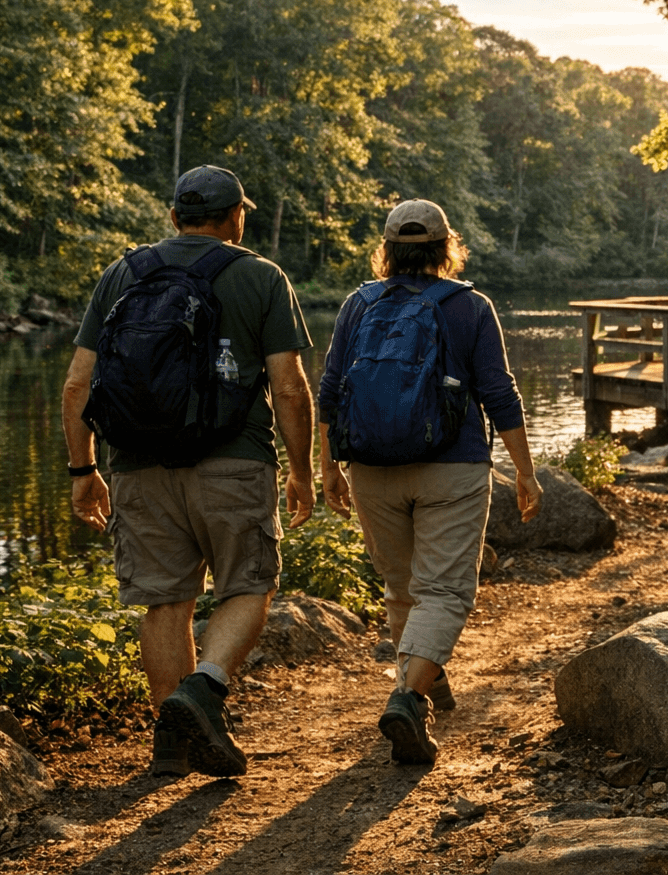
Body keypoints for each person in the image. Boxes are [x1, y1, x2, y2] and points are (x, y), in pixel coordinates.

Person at [61, 164, 317, 779]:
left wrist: (82, 469)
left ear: (173, 216)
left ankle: (170, 749)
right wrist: (303, 469)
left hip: (136, 467)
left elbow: (77, 385)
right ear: (237, 217)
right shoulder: (260, 276)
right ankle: (201, 690)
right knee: (249, 586)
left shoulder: (121, 275)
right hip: (234, 462)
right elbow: (289, 388)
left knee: (164, 603)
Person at [318, 199, 543, 765]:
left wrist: (327, 468)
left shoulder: (357, 304)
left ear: (387, 251)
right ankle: (409, 696)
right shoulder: (470, 306)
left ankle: (420, 679)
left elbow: (329, 390)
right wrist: (525, 469)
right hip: (454, 465)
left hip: (370, 468)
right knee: (443, 591)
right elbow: (499, 391)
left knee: (402, 589)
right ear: (447, 248)